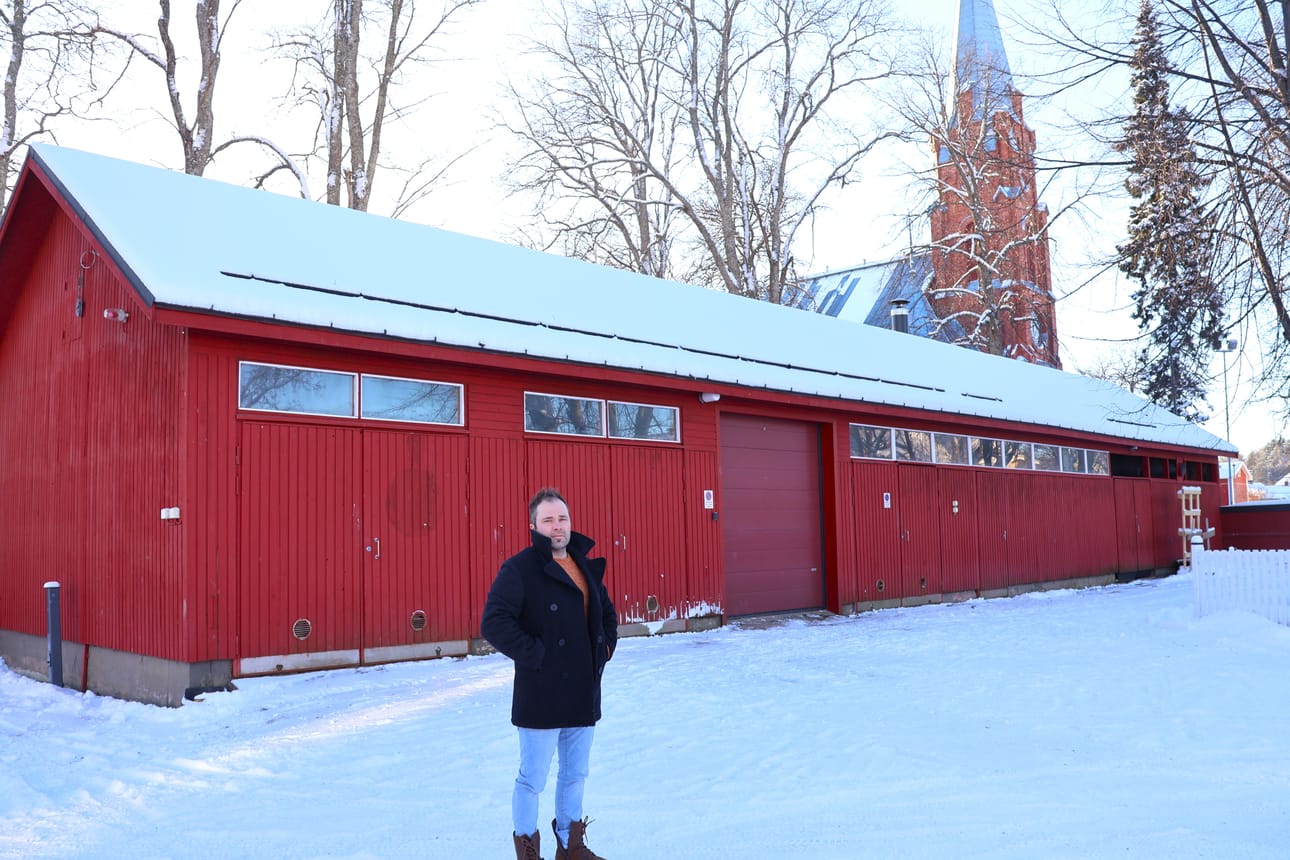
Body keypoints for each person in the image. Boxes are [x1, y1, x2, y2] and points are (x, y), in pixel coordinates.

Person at [481, 488, 617, 860]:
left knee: (575, 775)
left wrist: (604, 648)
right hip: (541, 692)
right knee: (532, 779)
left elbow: (606, 612)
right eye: (548, 520)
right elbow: (494, 623)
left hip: (582, 692)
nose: (557, 526)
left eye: (562, 519)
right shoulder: (519, 568)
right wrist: (537, 655)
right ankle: (528, 850)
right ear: (534, 526)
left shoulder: (583, 565)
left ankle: (571, 846)